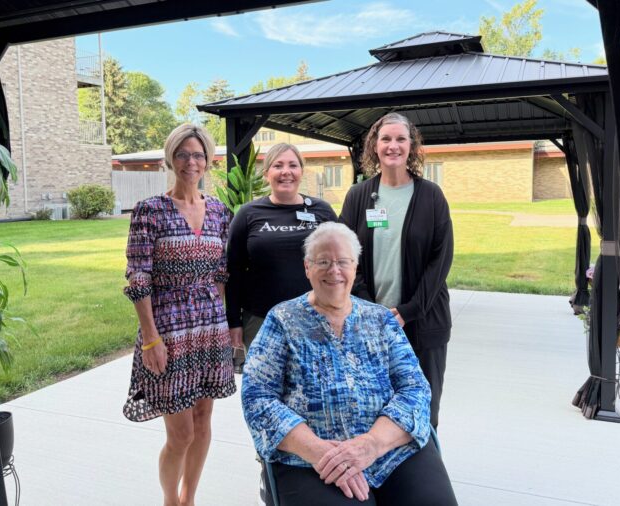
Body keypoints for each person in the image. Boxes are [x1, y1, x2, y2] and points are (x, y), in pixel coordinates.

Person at [242, 222, 458, 506]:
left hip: (391, 449)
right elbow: (257, 398)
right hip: (313, 459)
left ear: (355, 267)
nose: (334, 270)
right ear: (307, 267)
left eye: (343, 261)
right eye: (323, 262)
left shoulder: (380, 319)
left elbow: (415, 388)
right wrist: (320, 453)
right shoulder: (282, 320)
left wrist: (370, 445)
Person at [122, 123, 236, 506]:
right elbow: (138, 278)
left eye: (198, 154)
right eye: (184, 154)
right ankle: (171, 501)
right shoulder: (149, 211)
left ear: (208, 161)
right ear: (171, 159)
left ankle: (190, 498)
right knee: (181, 433)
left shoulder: (220, 210)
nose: (191, 161)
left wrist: (221, 324)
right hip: (168, 332)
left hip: (210, 330)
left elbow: (221, 274)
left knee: (203, 425)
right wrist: (151, 338)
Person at [340, 113, 454, 429]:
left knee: (422, 410)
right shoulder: (359, 196)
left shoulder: (431, 196)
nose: (393, 146)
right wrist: (370, 308)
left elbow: (441, 261)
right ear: (374, 147)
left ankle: (424, 474)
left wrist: (408, 311)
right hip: (369, 324)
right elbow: (345, 254)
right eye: (386, 139)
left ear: (411, 146)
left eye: (401, 139)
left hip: (423, 323)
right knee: (373, 410)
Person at [226, 142, 337, 354]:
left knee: (314, 384)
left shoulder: (322, 211)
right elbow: (233, 271)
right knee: (265, 384)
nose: (286, 172)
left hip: (316, 316)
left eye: (293, 165)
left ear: (301, 172)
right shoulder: (248, 213)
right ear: (267, 173)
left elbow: (343, 261)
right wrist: (234, 321)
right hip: (261, 319)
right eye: (278, 166)